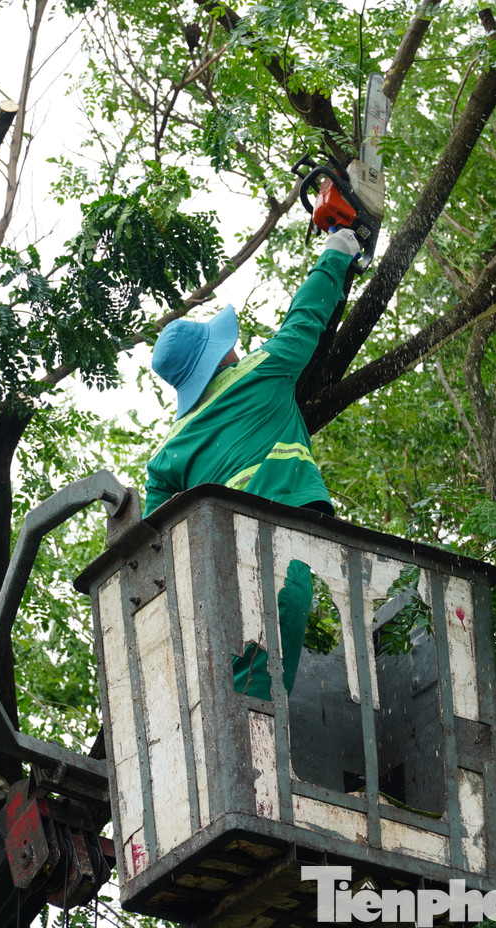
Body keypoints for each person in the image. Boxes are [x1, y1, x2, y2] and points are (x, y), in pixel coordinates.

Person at [144, 228, 360, 699]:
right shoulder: (263, 372)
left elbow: (151, 543)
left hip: (212, 585)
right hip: (277, 559)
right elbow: (306, 317)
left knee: (220, 691)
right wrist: (337, 252)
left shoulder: (166, 454)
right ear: (219, 355)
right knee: (260, 701)